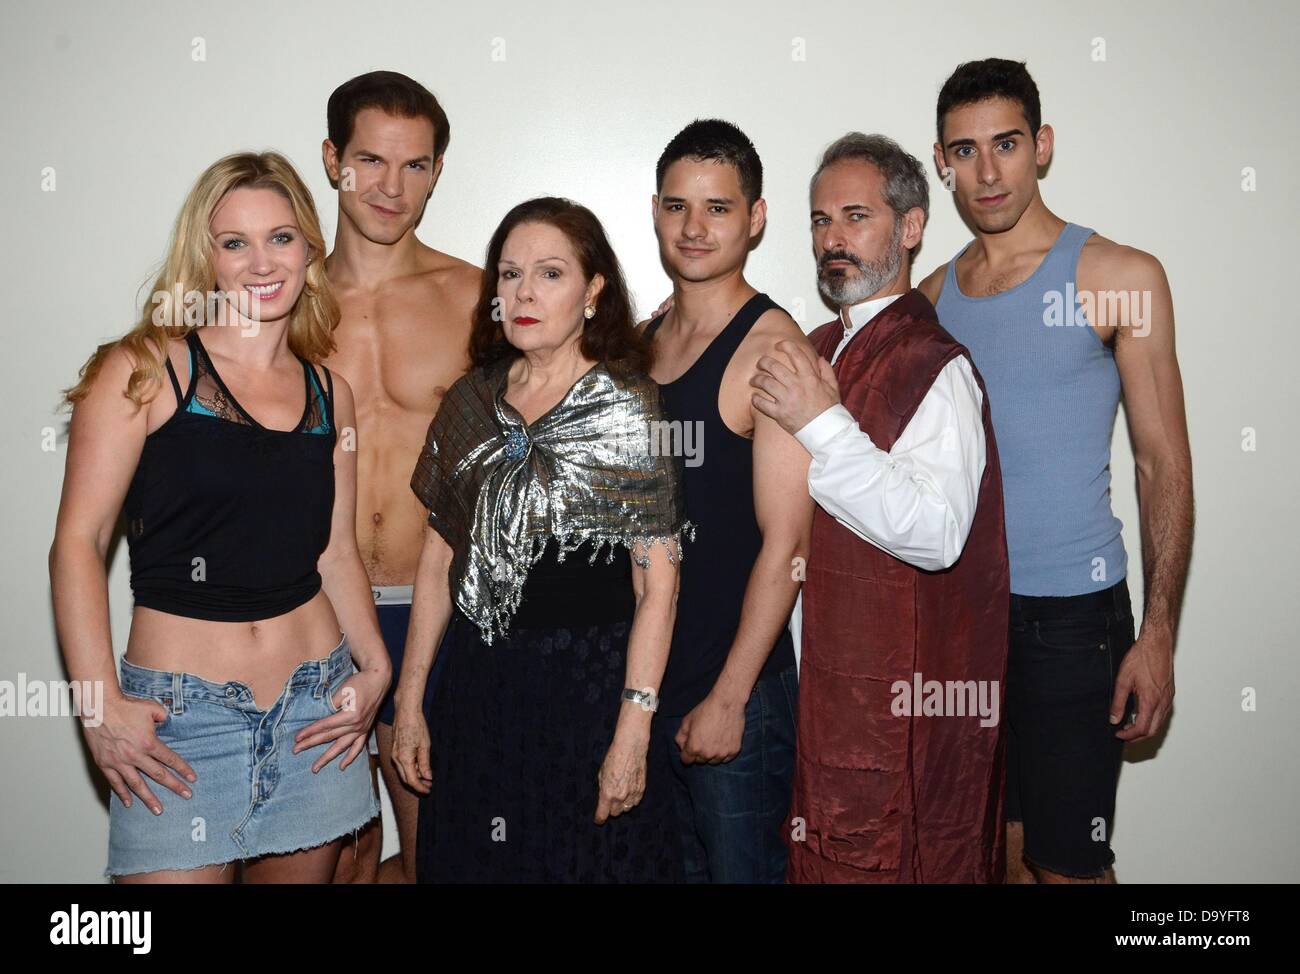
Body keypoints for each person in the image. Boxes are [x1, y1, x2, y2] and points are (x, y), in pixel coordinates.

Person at [51, 151, 389, 883]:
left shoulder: (333, 393)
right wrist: (98, 704)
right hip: (179, 727)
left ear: (309, 247)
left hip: (314, 716)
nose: (260, 261)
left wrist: (378, 664)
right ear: (204, 257)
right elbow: (77, 545)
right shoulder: (144, 371)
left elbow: (333, 551)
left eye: (281, 237)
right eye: (234, 242)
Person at [919, 58, 1193, 884]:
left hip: (1074, 620)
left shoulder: (1119, 277)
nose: (988, 170)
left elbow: (1162, 465)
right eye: (964, 151)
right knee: (996, 860)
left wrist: (1159, 634)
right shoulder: (930, 301)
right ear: (941, 163)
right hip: (964, 619)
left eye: (1005, 144)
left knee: (1066, 865)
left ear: (1041, 145)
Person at [393, 197, 691, 882]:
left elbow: (658, 587)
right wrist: (411, 701)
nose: (524, 293)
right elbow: (439, 559)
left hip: (588, 693)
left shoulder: (630, 407)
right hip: (478, 690)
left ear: (594, 292)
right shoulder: (470, 401)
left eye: (550, 274)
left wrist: (633, 731)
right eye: (509, 274)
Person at [752, 133, 1009, 883]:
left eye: (855, 216)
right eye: (819, 220)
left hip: (904, 718)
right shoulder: (819, 346)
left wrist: (822, 424)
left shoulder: (938, 364)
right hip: (822, 703)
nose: (833, 239)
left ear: (910, 227)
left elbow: (936, 533)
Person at [642, 119, 813, 883]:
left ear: (756, 218)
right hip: (650, 686)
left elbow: (790, 547)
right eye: (678, 206)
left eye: (717, 207)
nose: (695, 227)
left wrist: (729, 698)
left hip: (736, 693)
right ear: (654, 211)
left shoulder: (773, 349)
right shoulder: (643, 341)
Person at [320, 70, 479, 884]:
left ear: (438, 172)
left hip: (436, 612)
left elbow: (573, 396)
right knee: (333, 861)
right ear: (331, 160)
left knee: (436, 857)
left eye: (415, 165)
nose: (391, 186)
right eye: (371, 161)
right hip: (314, 615)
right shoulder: (282, 297)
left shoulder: (474, 298)